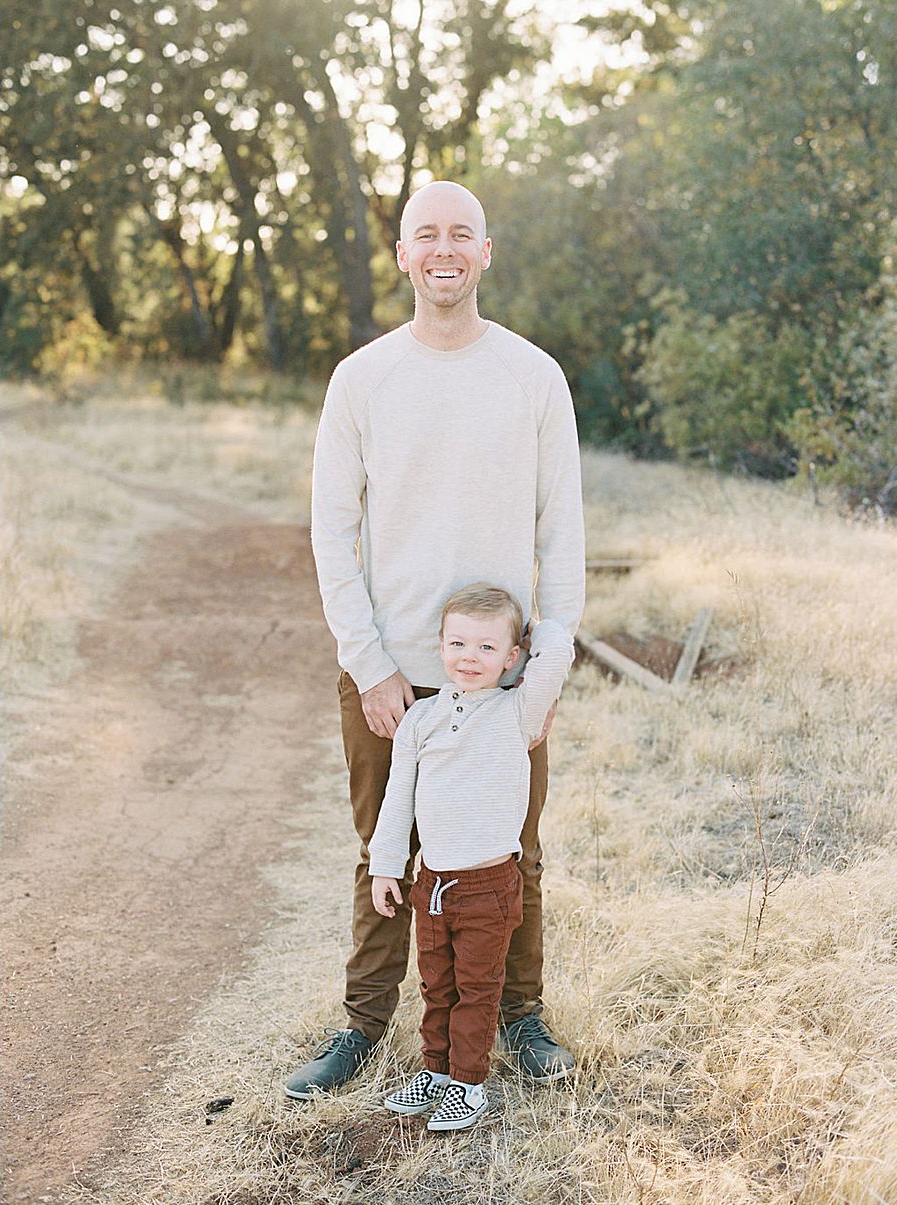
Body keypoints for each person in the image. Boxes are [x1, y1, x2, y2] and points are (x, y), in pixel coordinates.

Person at [285, 180, 585, 1101]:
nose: (444, 248)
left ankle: (521, 1016)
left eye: (462, 234)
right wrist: (369, 663)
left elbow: (562, 534)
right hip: (390, 670)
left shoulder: (533, 376)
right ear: (405, 255)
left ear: (486, 254)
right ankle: (363, 1025)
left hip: (501, 680)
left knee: (511, 853)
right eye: (427, 235)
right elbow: (332, 531)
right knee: (385, 843)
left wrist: (544, 673)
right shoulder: (363, 379)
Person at [365, 586, 574, 1130]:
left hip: (490, 886)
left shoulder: (518, 713)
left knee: (479, 987)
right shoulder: (421, 719)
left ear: (511, 658)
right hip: (432, 884)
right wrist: (387, 865)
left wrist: (536, 634)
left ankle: (467, 1082)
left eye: (487, 647)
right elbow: (397, 799)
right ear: (439, 648)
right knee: (437, 985)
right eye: (457, 642)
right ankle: (435, 1070)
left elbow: (558, 653)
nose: (469, 657)